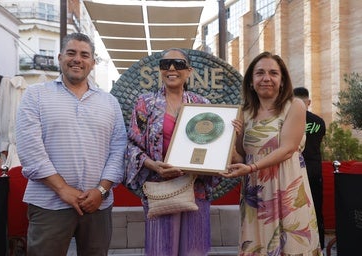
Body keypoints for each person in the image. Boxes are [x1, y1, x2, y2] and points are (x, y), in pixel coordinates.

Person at [15, 32, 127, 255]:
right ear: (59, 57)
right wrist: (63, 189)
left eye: (85, 55)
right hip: (49, 203)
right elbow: (30, 149)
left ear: (93, 63)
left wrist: (101, 190)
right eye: (71, 53)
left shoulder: (110, 102)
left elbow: (119, 150)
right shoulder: (35, 95)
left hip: (97, 205)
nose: (78, 59)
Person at [223, 51, 322, 255]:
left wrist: (251, 167)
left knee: (292, 245)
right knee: (257, 247)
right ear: (251, 81)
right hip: (256, 194)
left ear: (282, 80)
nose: (266, 78)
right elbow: (243, 156)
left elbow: (287, 149)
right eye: (259, 73)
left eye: (273, 73)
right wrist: (230, 143)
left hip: (288, 187)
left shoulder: (294, 105)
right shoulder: (245, 111)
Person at [125, 48, 221, 256]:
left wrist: (229, 134)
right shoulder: (146, 103)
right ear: (160, 70)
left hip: (195, 188)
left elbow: (213, 144)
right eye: (165, 64)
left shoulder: (201, 104)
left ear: (188, 71)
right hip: (161, 188)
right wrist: (153, 165)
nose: (171, 68)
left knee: (193, 251)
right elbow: (131, 145)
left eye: (177, 64)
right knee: (162, 250)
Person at [293, 86, 326, 249]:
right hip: (314, 169)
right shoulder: (319, 121)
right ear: (309, 102)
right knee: (317, 209)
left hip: (295, 169)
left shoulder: (289, 120)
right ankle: (319, 245)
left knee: (295, 210)